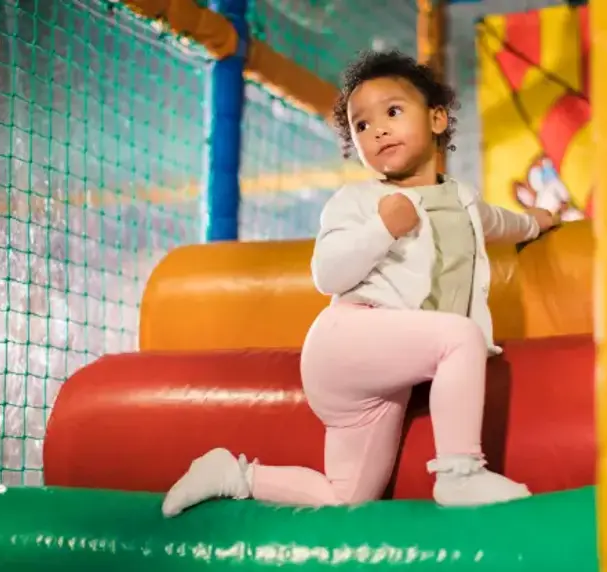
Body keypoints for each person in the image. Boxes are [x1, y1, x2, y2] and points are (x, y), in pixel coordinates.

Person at [161, 50, 558, 517]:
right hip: (346, 346)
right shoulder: (359, 201)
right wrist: (381, 229)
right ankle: (459, 474)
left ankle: (233, 474)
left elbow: (503, 223)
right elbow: (327, 274)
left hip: (387, 377)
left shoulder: (463, 200)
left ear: (435, 119)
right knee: (461, 338)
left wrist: (543, 220)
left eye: (392, 112)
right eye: (362, 125)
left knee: (347, 497)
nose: (378, 130)